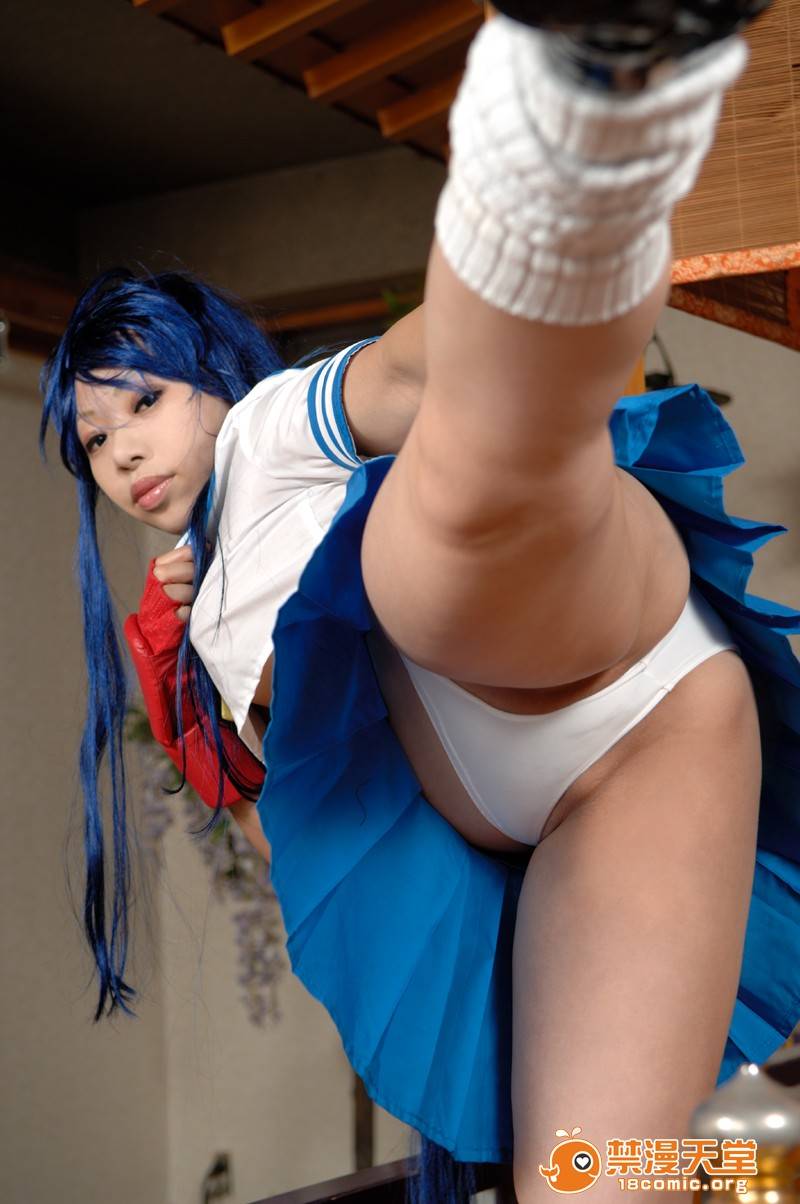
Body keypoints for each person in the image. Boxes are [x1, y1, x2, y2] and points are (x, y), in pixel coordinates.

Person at [39, 2, 800, 1201]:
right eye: (92, 437)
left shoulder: (272, 431)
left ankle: (577, 107)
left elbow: (407, 366)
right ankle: (756, 1163)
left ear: (214, 384)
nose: (122, 448)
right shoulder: (190, 627)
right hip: (636, 783)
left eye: (145, 400)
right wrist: (200, 659)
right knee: (588, 1180)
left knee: (429, 542)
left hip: (589, 625)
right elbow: (309, 843)